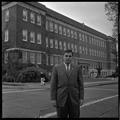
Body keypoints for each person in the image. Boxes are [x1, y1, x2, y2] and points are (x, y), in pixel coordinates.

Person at [50, 49, 84, 118]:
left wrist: (81, 98)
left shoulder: (77, 68)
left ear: (72, 57)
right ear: (63, 57)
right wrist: (53, 99)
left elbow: (81, 84)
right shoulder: (57, 68)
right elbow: (53, 84)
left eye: (70, 56)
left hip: (74, 99)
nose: (68, 58)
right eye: (66, 56)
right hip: (61, 99)